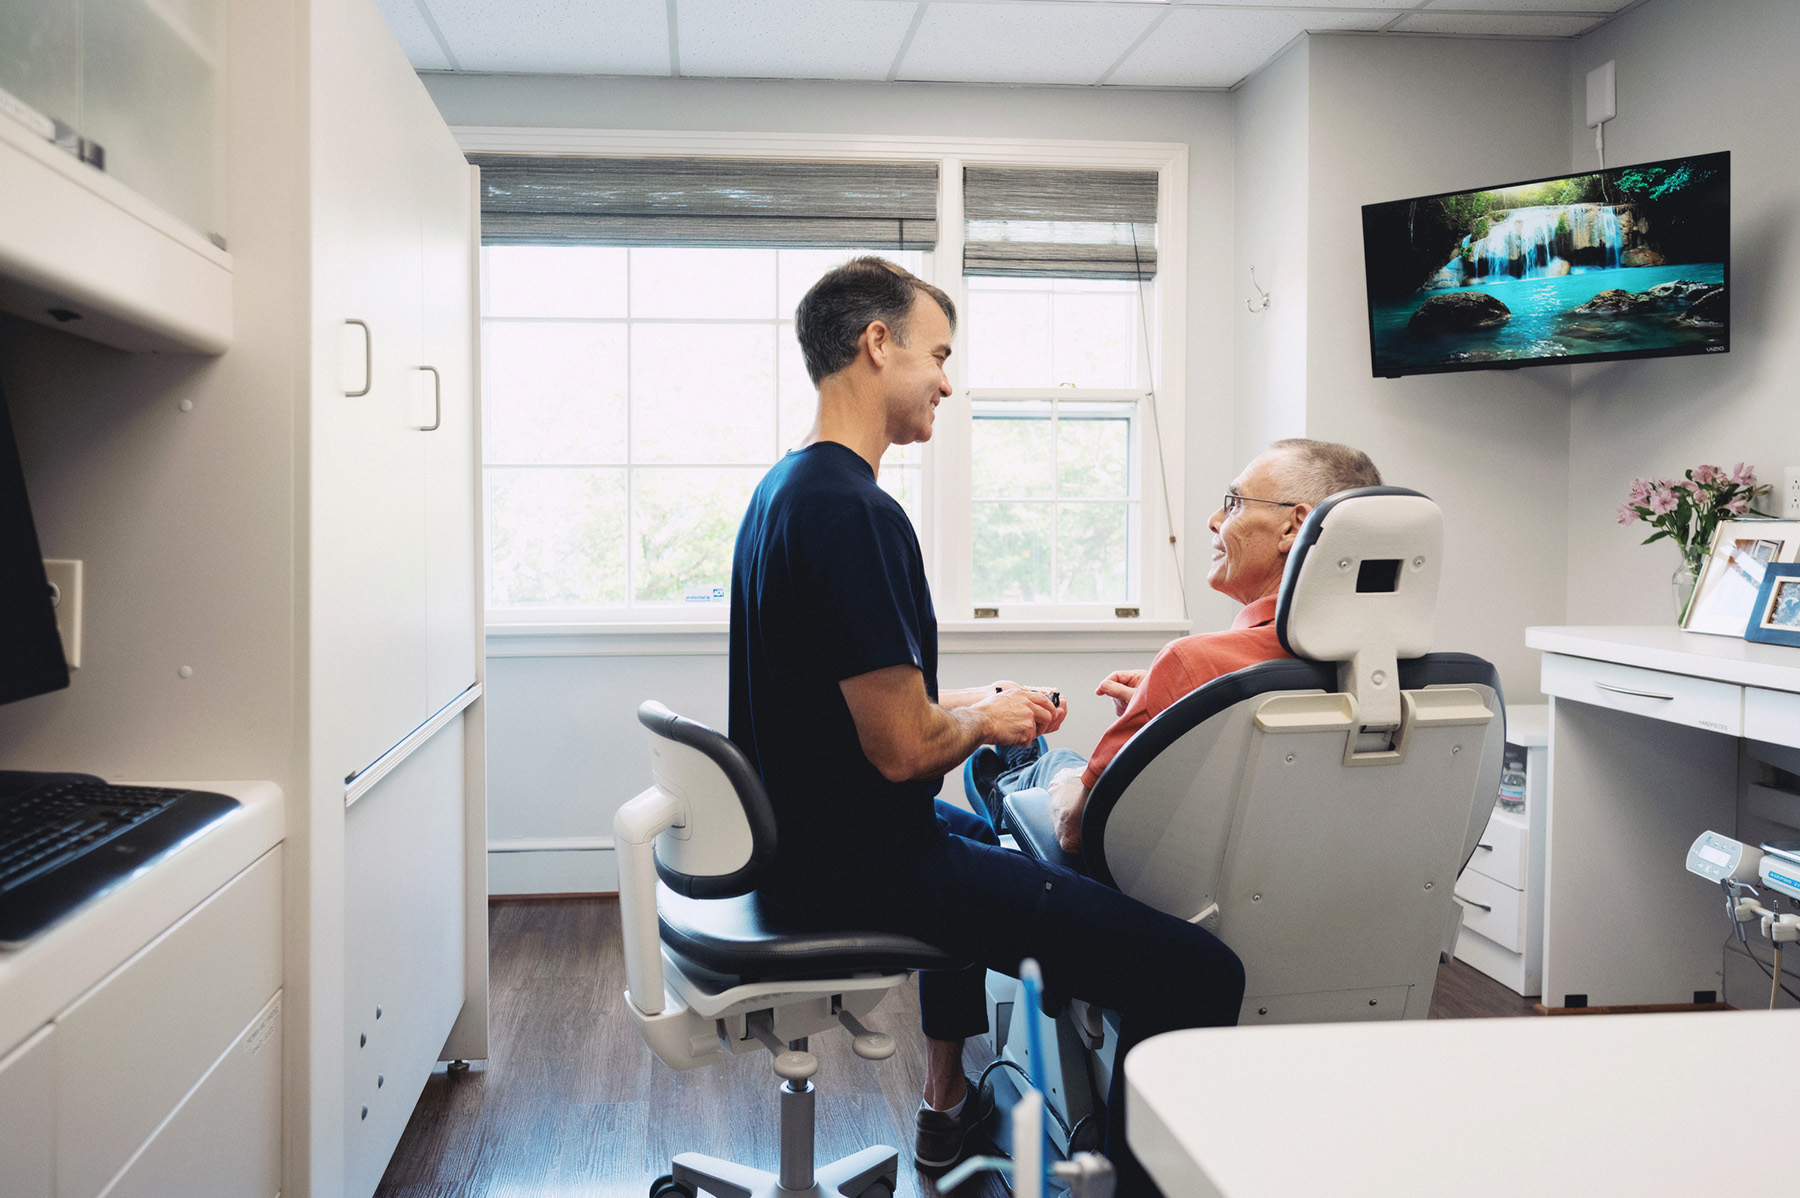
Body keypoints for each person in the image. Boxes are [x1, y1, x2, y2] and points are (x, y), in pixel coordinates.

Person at [728, 256, 1244, 1198]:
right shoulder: (856, 514)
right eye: (938, 354)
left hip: (816, 843)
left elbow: (847, 706)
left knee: (987, 826)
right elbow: (900, 749)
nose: (947, 381)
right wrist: (980, 721)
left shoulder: (785, 494)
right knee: (1200, 973)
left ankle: (947, 1101)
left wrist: (974, 708)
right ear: (876, 345)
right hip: (872, 870)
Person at [969, 438, 1384, 852]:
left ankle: (1011, 784)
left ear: (1292, 528)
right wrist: (1168, 702)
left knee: (1061, 767)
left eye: (1234, 503)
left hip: (1157, 899)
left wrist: (1066, 786)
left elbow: (1077, 828)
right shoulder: (1396, 680)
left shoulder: (1193, 663)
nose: (1213, 519)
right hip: (1302, 882)